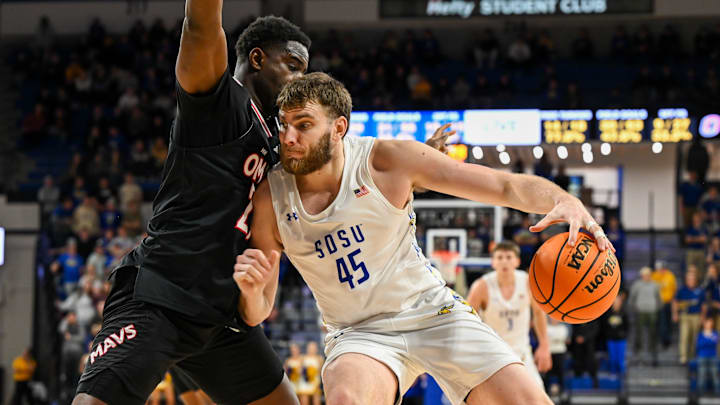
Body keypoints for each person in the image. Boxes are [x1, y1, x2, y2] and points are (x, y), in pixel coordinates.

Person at [235, 72, 613, 405]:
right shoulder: (271, 197)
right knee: (347, 398)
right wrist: (252, 292)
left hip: (432, 311)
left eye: (303, 125)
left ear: (339, 128)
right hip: (358, 333)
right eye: (283, 125)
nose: (288, 137)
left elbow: (503, 185)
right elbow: (259, 311)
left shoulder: (387, 160)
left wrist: (564, 199)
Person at [72, 11, 313, 405]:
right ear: (256, 60)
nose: (300, 80)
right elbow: (200, 26)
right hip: (161, 295)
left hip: (219, 314)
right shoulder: (219, 102)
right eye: (292, 66)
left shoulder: (275, 139)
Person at [466, 241, 552, 388]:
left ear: (517, 261)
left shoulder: (527, 282)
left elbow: (538, 313)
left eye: (508, 257)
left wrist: (544, 345)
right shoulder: (481, 286)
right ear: (493, 262)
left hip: (522, 355)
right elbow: (466, 322)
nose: (504, 261)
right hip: (492, 358)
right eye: (499, 257)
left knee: (539, 397)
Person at [628, 267, 661, 365]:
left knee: (653, 334)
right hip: (640, 312)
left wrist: (656, 308)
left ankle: (653, 354)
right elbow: (631, 299)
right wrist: (635, 308)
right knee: (639, 334)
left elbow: (659, 299)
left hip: (652, 312)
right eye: (644, 274)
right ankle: (638, 354)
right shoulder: (637, 285)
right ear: (641, 275)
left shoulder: (655, 285)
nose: (646, 276)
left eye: (648, 274)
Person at [674, 269, 704, 365]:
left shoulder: (700, 290)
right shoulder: (682, 290)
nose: (690, 280)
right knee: (684, 336)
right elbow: (675, 302)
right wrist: (675, 313)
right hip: (685, 316)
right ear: (686, 280)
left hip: (696, 316)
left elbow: (704, 305)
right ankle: (683, 357)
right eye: (689, 279)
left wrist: (703, 317)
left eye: (692, 279)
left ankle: (691, 356)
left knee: (694, 337)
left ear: (695, 280)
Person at [652, 260, 677, 348]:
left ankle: (667, 340)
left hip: (668, 302)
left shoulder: (670, 276)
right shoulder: (654, 276)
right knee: (662, 323)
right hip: (658, 303)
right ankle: (663, 340)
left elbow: (673, 291)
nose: (661, 271)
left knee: (668, 322)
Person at [545, 317, 570, 398]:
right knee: (547, 373)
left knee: (561, 373)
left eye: (555, 319)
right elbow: (546, 339)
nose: (554, 320)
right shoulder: (546, 327)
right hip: (549, 352)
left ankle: (562, 391)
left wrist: (553, 339)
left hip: (560, 352)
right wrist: (555, 339)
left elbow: (563, 338)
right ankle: (546, 391)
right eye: (552, 319)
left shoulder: (563, 327)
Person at [604, 296, 629, 376]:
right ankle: (613, 374)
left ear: (620, 303)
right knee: (612, 358)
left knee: (620, 359)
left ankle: (622, 375)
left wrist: (623, 334)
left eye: (617, 302)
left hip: (621, 340)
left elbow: (627, 326)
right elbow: (604, 326)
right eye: (614, 302)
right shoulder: (608, 313)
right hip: (611, 339)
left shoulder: (624, 313)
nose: (616, 304)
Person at [696, 317, 719, 395]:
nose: (709, 324)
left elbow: (714, 343)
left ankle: (717, 390)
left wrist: (706, 341)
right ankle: (700, 391)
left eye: (710, 322)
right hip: (702, 356)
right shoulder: (700, 334)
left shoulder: (715, 333)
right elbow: (699, 345)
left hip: (713, 356)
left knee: (714, 374)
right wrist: (709, 340)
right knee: (702, 374)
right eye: (707, 322)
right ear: (704, 324)